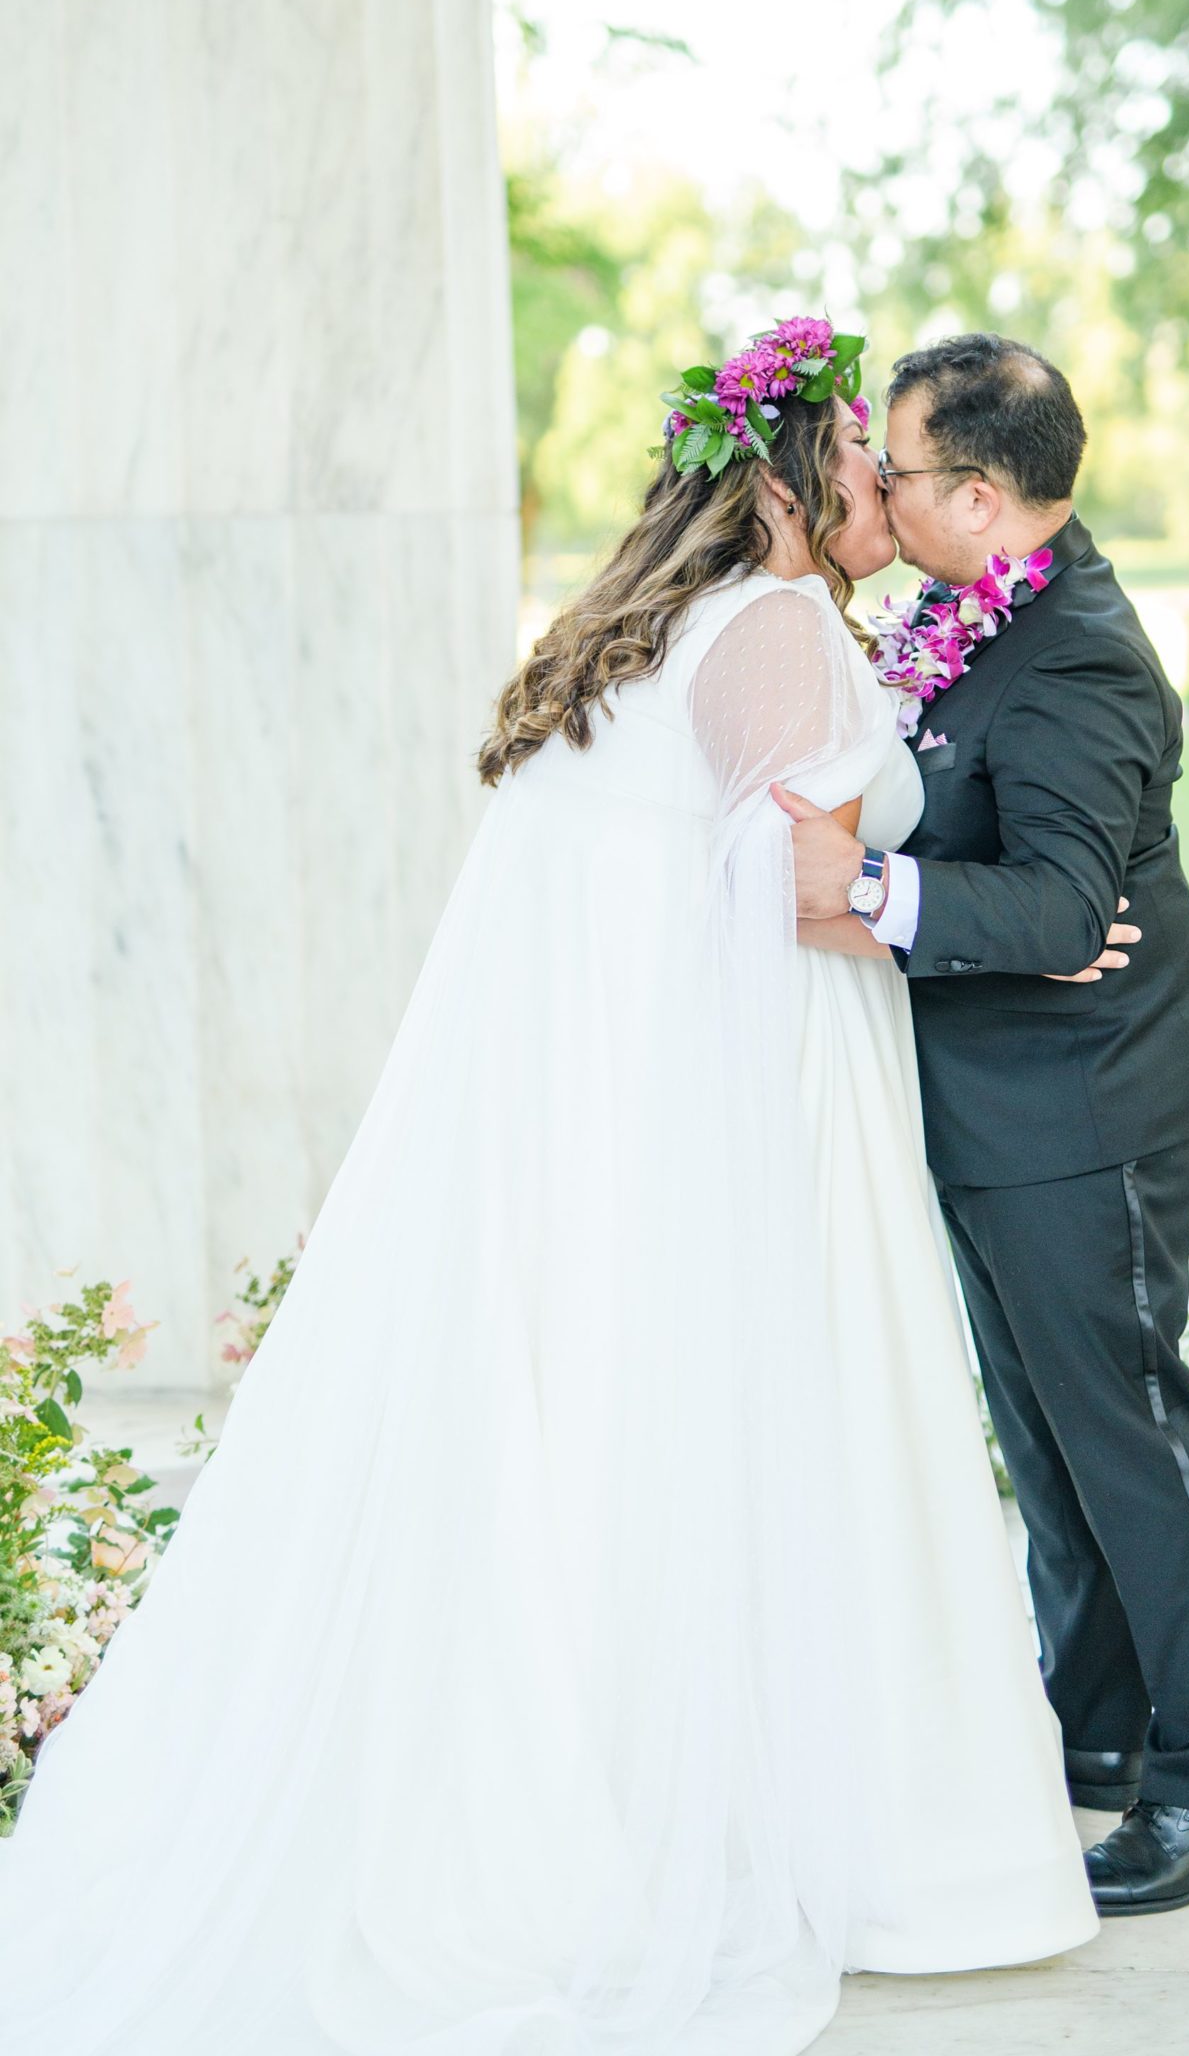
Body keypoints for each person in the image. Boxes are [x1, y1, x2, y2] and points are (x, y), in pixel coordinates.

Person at [0, 320, 1100, 2055]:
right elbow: (808, 891)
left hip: (652, 1082)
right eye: (861, 461)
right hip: (774, 1081)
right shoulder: (776, 627)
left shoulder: (646, 628)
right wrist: (1022, 919)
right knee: (796, 1443)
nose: (885, 488)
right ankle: (855, 1836)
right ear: (795, 476)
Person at [781, 333, 1189, 1919]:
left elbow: (1068, 900)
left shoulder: (1074, 653)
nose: (871, 480)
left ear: (983, 497)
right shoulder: (956, 611)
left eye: (899, 466)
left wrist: (858, 892)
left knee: (1128, 1436)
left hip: (1088, 1104)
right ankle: (1099, 1733)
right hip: (995, 1096)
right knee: (1052, 1447)